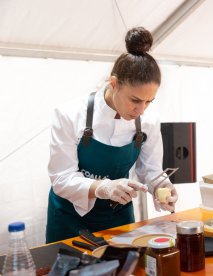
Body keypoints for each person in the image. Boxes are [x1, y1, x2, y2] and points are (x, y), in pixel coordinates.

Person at [46, 27, 178, 243]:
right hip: (69, 219)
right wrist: (104, 187)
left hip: (117, 217)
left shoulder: (148, 121)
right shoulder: (69, 114)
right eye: (135, 100)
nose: (141, 110)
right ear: (114, 83)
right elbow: (61, 178)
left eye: (149, 101)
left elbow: (150, 170)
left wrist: (161, 187)